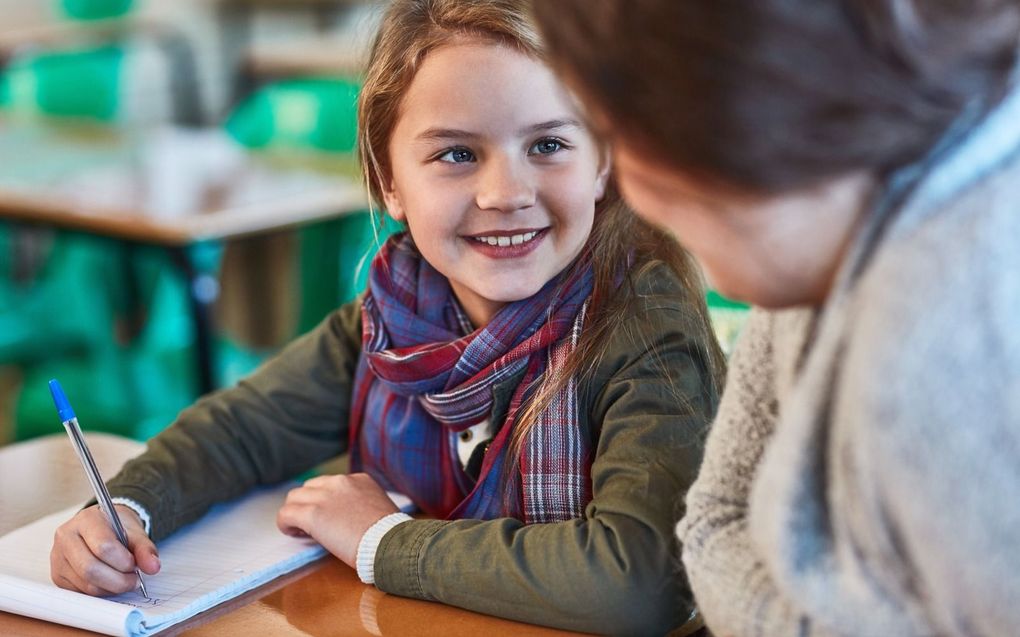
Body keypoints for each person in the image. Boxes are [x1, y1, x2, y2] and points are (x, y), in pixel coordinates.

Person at [49, 0, 726, 633]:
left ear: (604, 160)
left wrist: (383, 541)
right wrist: (125, 510)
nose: (505, 193)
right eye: (457, 154)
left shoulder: (645, 329)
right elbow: (238, 431)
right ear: (388, 182)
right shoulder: (392, 317)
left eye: (548, 145)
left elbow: (639, 581)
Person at [533, 1, 1020, 635]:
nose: (623, 183)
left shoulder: (938, 346)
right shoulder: (823, 249)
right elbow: (711, 520)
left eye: (621, 131)